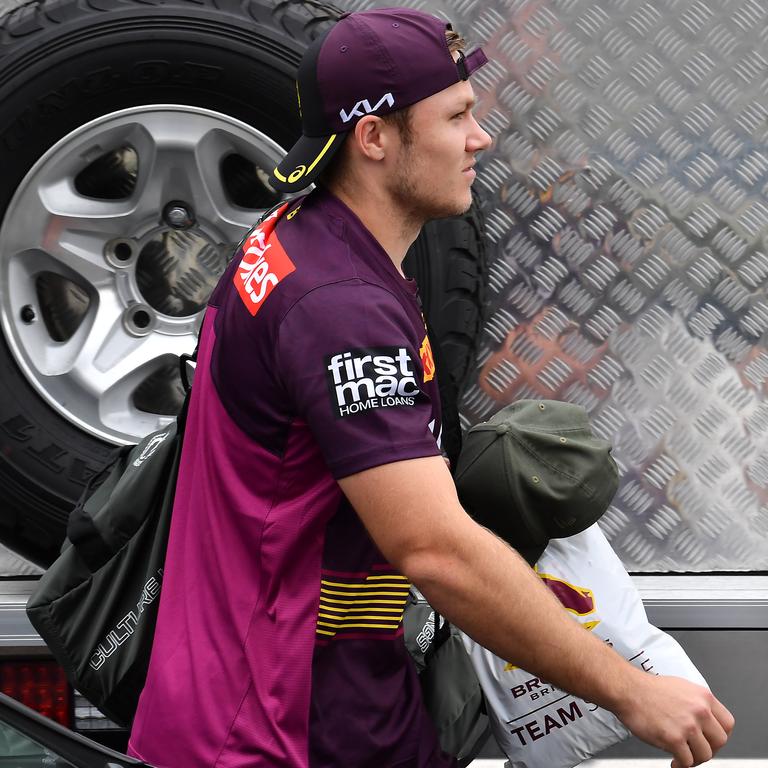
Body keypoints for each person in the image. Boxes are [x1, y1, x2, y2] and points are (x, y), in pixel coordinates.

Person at [127, 7, 734, 768]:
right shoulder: (339, 306)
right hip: (279, 730)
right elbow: (433, 552)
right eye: (456, 116)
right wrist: (630, 688)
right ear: (374, 137)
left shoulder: (293, 237)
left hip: (304, 700)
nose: (480, 138)